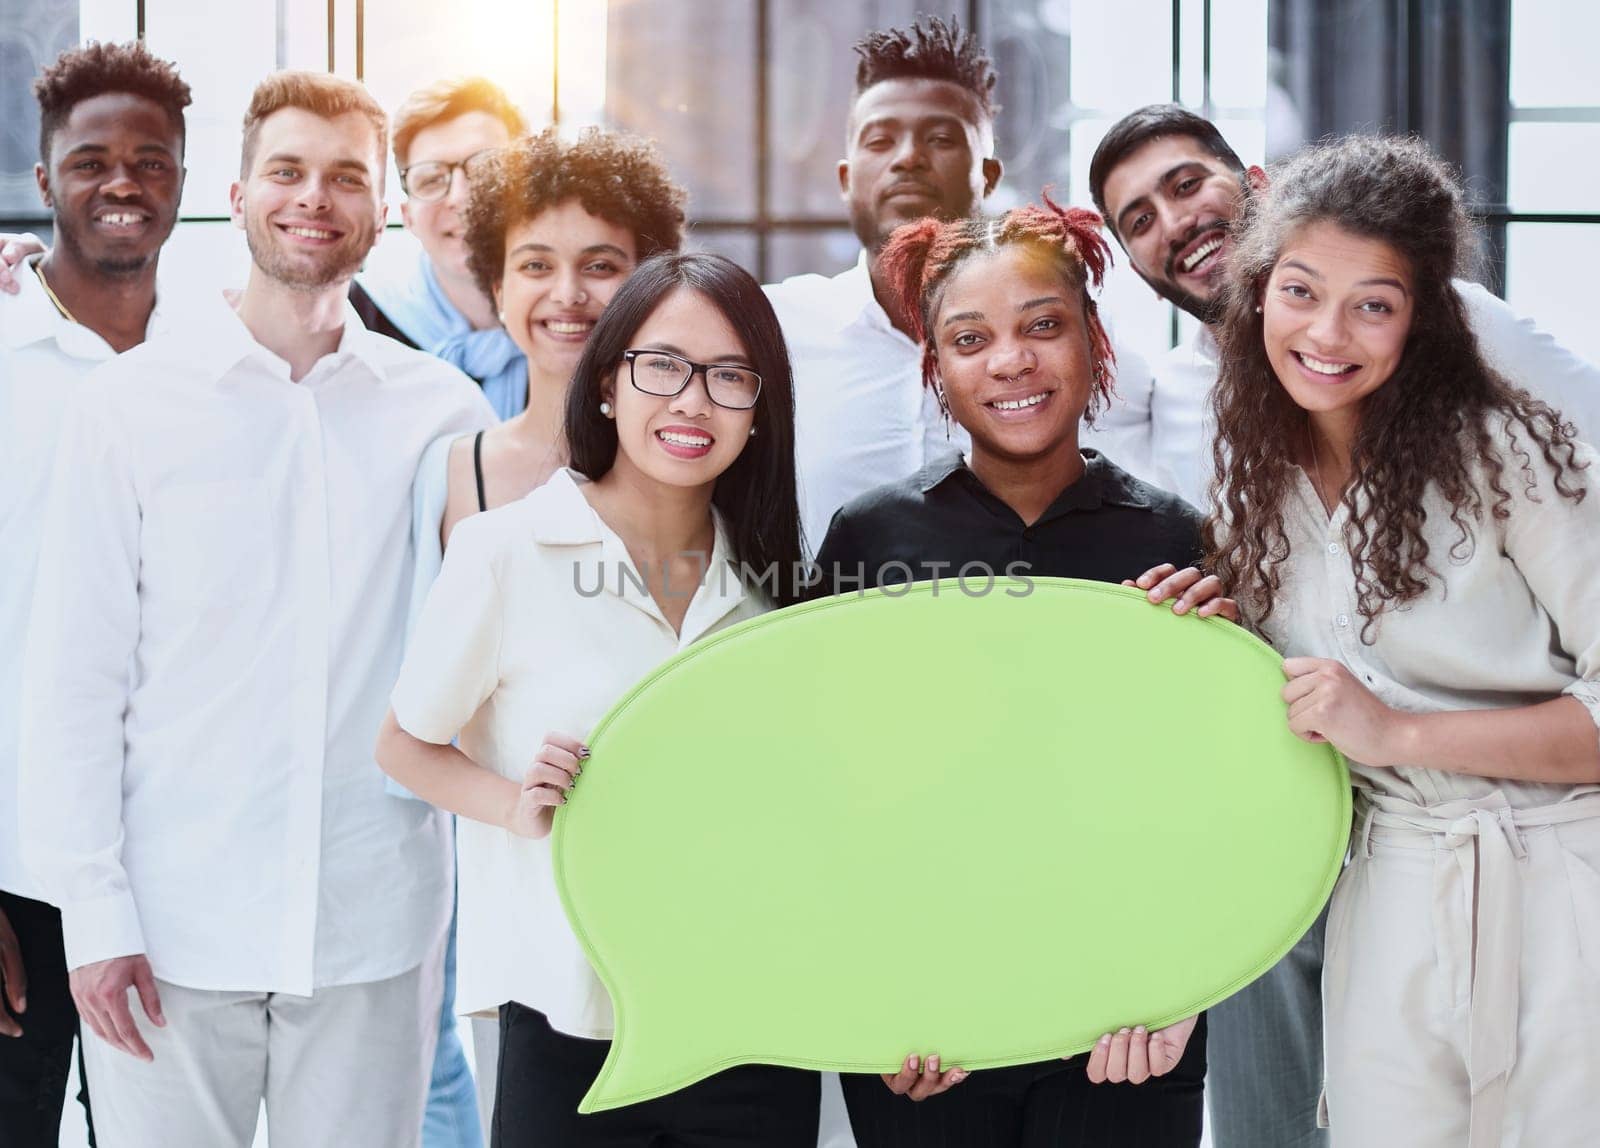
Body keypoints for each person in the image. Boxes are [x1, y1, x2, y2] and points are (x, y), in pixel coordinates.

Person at [1088, 104, 1600, 1148]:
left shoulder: (1510, 445)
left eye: (1374, 305)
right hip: (1383, 891)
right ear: (1260, 288)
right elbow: (1309, 673)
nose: (1325, 335)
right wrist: (1227, 628)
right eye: (1300, 295)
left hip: (1558, 887)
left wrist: (1399, 732)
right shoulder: (1245, 470)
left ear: (1425, 314)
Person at [18, 70, 493, 1148]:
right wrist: (91, 917)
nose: (312, 198)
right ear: (235, 194)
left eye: (345, 179)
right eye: (286, 171)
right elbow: (76, 678)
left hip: (375, 923)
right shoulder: (127, 407)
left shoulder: (440, 413)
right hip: (170, 929)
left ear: (382, 210)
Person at [375, 251, 817, 1146]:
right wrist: (513, 804)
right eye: (662, 367)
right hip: (569, 1018)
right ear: (609, 384)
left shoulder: (775, 580)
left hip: (757, 1017)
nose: (693, 402)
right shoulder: (506, 551)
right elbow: (403, 745)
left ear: (760, 412)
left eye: (731, 377)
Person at [815, 197, 1227, 1148]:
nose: (1011, 360)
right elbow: (825, 785)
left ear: (1095, 342)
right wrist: (868, 996)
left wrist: (1186, 983)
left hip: (1129, 1014)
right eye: (970, 338)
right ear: (937, 368)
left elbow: (1215, 792)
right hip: (930, 1013)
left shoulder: (1181, 544)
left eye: (1044, 325)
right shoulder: (870, 538)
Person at [398, 123, 687, 1128]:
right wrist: (509, 797)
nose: (567, 296)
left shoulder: (700, 461)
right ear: (493, 279)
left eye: (601, 266)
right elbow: (417, 719)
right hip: (529, 926)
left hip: (691, 912)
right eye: (535, 266)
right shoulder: (459, 471)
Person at [766, 16, 1159, 551]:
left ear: (989, 176)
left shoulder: (1078, 346)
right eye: (880, 139)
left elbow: (1146, 505)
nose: (908, 157)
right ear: (845, 177)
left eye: (941, 137)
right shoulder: (776, 329)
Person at [0, 41, 189, 1147]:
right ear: (42, 182)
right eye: (91, 160)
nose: (123, 182)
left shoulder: (220, 359)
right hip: (17, 867)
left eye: (150, 159)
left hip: (172, 867)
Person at [351, 75, 530, 421]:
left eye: (486, 170)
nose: (460, 198)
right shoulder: (359, 321)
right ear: (408, 217)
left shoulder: (577, 320)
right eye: (431, 179)